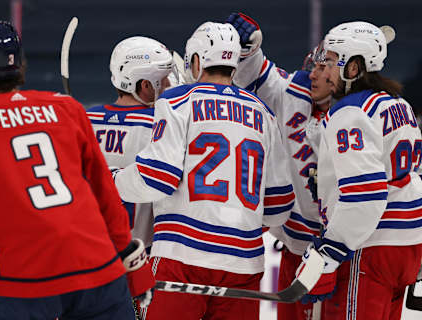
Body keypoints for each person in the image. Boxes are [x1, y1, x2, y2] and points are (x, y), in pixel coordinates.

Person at [0, 20, 154, 320]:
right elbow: (104, 192)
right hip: (97, 272)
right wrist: (126, 254)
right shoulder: (66, 107)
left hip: (18, 278)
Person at [113, 21, 295, 320]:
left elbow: (157, 177)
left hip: (181, 258)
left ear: (196, 60)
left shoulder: (178, 100)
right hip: (244, 263)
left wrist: (112, 180)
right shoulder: (264, 113)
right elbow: (278, 206)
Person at [298, 21, 422, 319]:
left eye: (329, 62)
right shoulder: (398, 104)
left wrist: (330, 250)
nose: (322, 70)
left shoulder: (351, 112)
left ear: (352, 68)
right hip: (407, 245)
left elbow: (365, 194)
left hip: (371, 247)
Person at [226, 12, 332, 320]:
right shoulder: (293, 92)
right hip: (293, 250)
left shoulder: (358, 118)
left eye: (323, 68)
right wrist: (247, 47)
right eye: (313, 65)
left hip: (340, 257)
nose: (312, 74)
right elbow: (256, 74)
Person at [86, 36, 175, 249]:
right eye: (163, 79)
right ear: (145, 84)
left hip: (90, 251)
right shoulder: (162, 125)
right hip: (140, 253)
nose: (168, 84)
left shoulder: (83, 121)